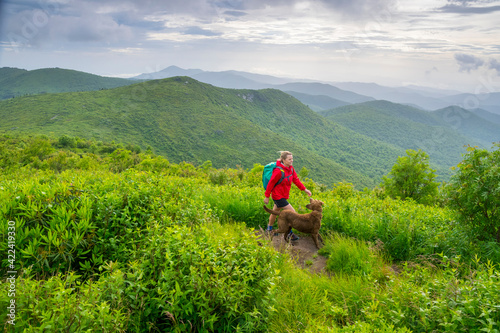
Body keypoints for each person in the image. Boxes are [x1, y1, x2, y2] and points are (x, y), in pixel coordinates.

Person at [264, 151, 312, 239]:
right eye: (289, 159)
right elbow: (271, 183)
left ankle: (269, 229)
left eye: (292, 159)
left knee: (275, 212)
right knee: (292, 214)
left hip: (284, 195)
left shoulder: (291, 169)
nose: (292, 161)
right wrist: (267, 196)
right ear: (283, 160)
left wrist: (305, 189)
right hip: (277, 196)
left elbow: (296, 180)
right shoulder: (278, 171)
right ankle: (289, 233)